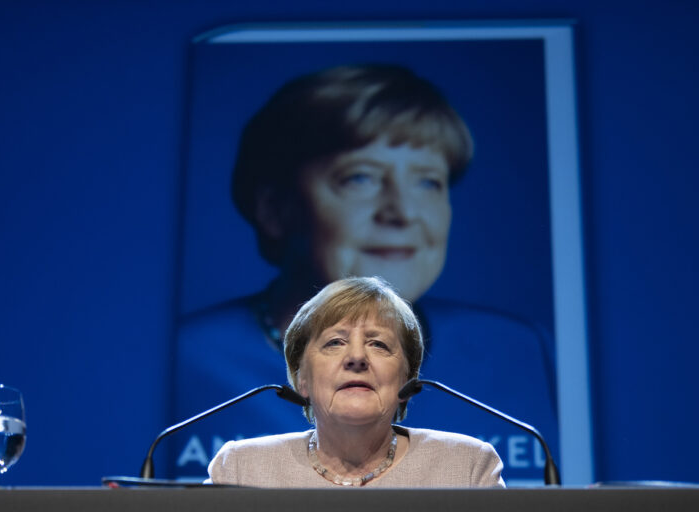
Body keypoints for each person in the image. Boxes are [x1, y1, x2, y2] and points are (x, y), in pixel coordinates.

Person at [173, 64, 557, 483]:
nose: (403, 211)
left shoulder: (517, 351)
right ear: (273, 208)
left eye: (428, 183)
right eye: (360, 178)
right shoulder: (188, 359)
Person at [206, 277, 505, 488]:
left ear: (407, 381)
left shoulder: (467, 467)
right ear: (302, 379)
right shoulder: (241, 470)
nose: (357, 357)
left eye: (379, 345)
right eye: (335, 343)